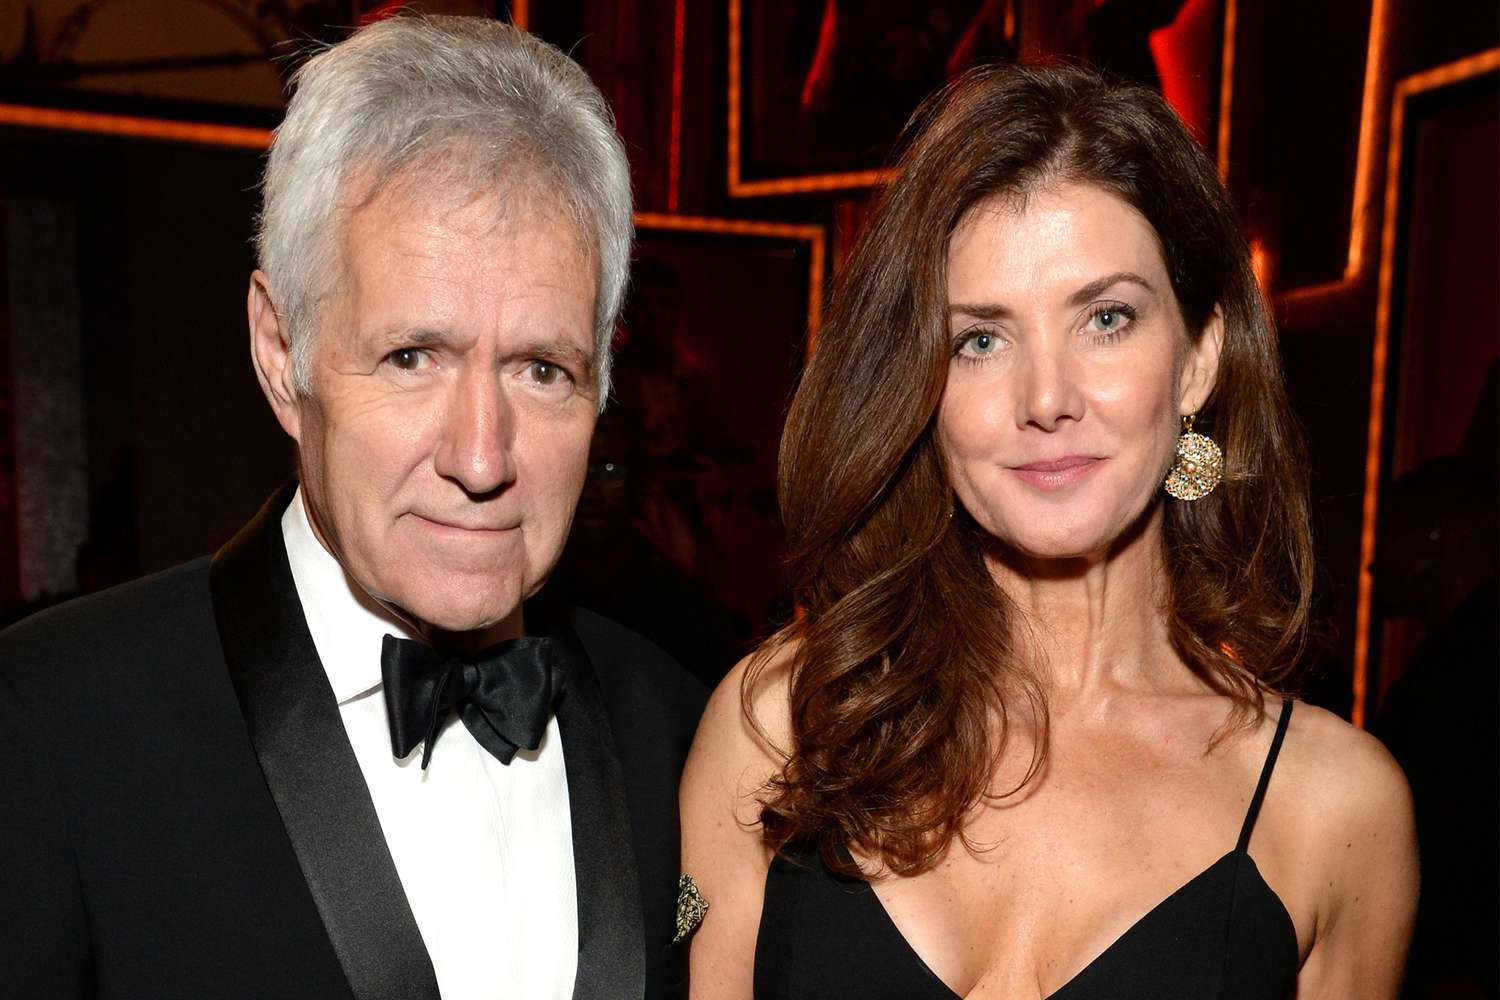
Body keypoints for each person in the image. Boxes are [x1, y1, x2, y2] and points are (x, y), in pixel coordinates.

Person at [0, 16, 704, 1000]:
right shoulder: (54, 724)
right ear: (281, 356)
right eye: (413, 357)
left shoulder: (674, 727)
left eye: (542, 369)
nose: (481, 455)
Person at [681, 63, 1417, 998]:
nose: (1046, 400)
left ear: (1198, 362)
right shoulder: (781, 721)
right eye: (979, 339)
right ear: (922, 387)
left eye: (1106, 319)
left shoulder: (1333, 808)